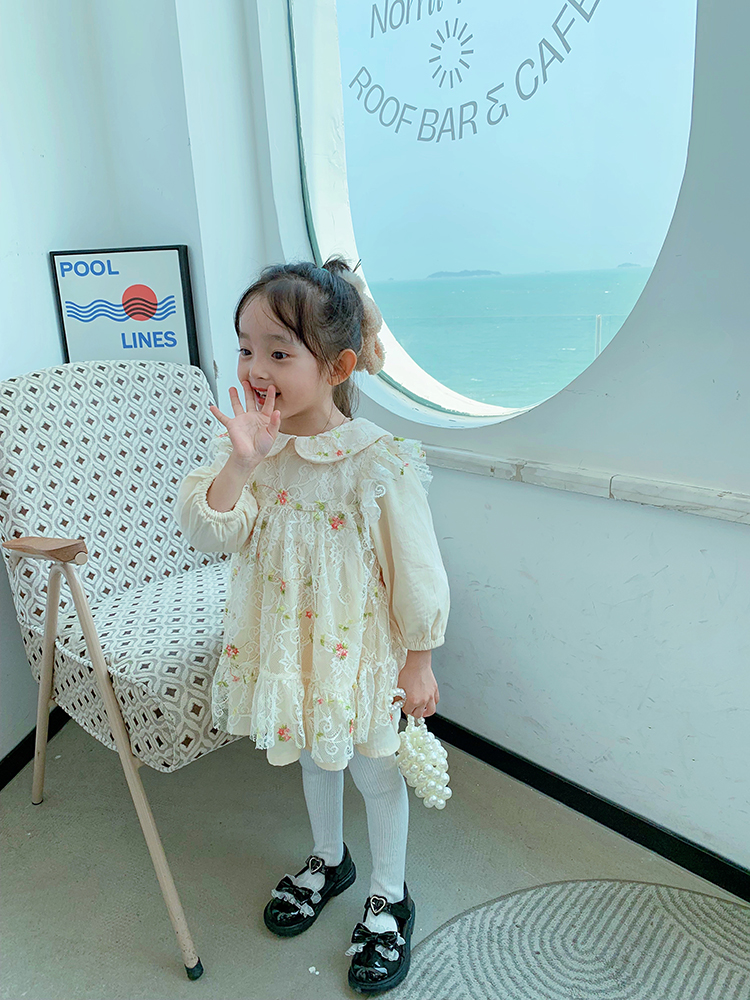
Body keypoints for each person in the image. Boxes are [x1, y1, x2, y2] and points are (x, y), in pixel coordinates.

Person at [176, 257, 450, 994]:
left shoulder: (376, 461)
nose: (255, 368)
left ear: (337, 366)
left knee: (373, 769)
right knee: (312, 755)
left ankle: (389, 896)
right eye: (245, 348)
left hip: (357, 655)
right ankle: (330, 859)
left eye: (278, 352)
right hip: (285, 648)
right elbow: (210, 532)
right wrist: (242, 463)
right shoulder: (251, 449)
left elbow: (416, 568)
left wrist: (419, 658)